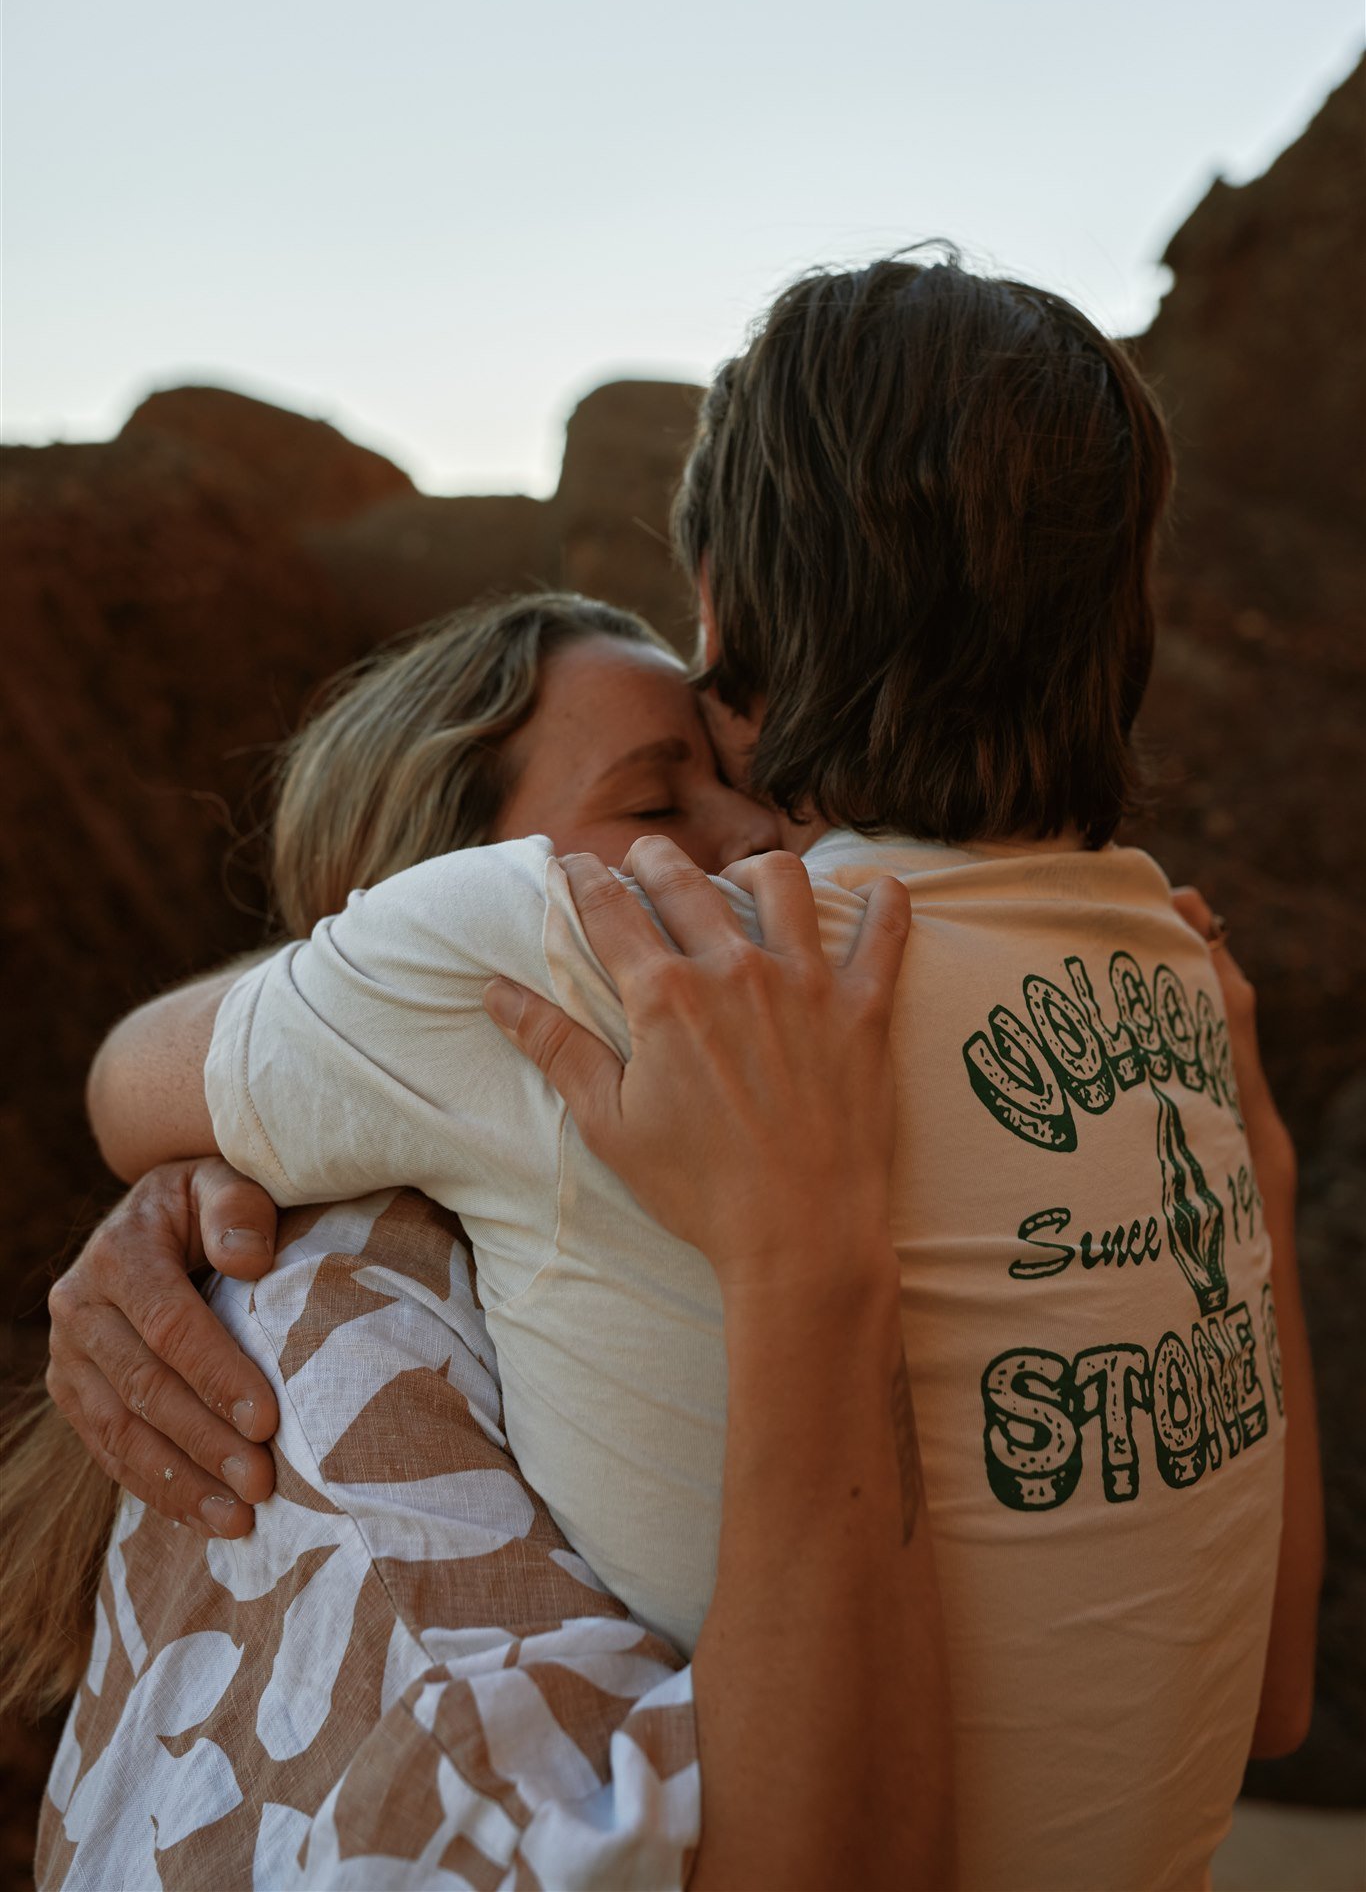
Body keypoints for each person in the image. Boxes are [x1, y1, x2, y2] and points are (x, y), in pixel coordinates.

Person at [48, 250, 1322, 1889]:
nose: (741, 852)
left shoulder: (606, 953)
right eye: (662, 802)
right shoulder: (1175, 991)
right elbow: (1266, 1698)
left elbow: (126, 1082)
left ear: (721, 602)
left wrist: (277, 1086)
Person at [14, 590, 950, 1888]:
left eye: (752, 782)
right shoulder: (334, 1351)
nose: (763, 836)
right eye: (655, 802)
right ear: (432, 908)